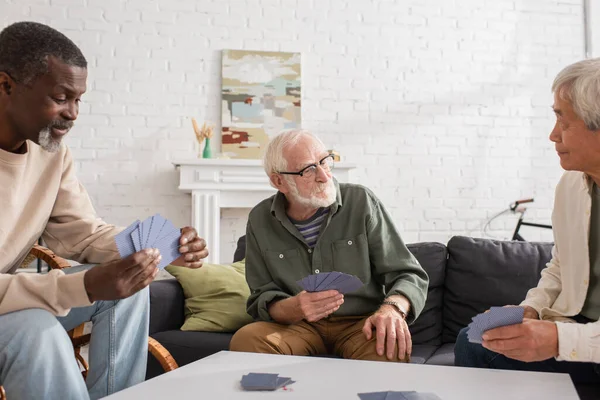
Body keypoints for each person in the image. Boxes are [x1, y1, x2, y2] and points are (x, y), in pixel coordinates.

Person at [0, 22, 209, 400]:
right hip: (14, 312)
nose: (73, 113)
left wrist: (163, 246)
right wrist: (81, 285)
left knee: (128, 289)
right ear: (6, 86)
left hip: (12, 299)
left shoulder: (52, 155)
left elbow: (80, 232)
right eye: (62, 97)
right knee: (35, 328)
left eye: (79, 99)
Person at [454, 58, 600, 387]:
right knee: (474, 341)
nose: (552, 135)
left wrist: (560, 340)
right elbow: (561, 264)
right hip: (575, 330)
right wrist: (532, 309)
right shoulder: (571, 186)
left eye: (563, 121)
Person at [229, 129, 429, 362]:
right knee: (247, 340)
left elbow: (408, 273)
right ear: (279, 181)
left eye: (325, 161)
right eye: (308, 169)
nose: (324, 175)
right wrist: (294, 307)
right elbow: (261, 297)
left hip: (361, 324)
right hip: (297, 327)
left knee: (387, 348)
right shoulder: (260, 219)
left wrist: (392, 309)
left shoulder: (361, 202)